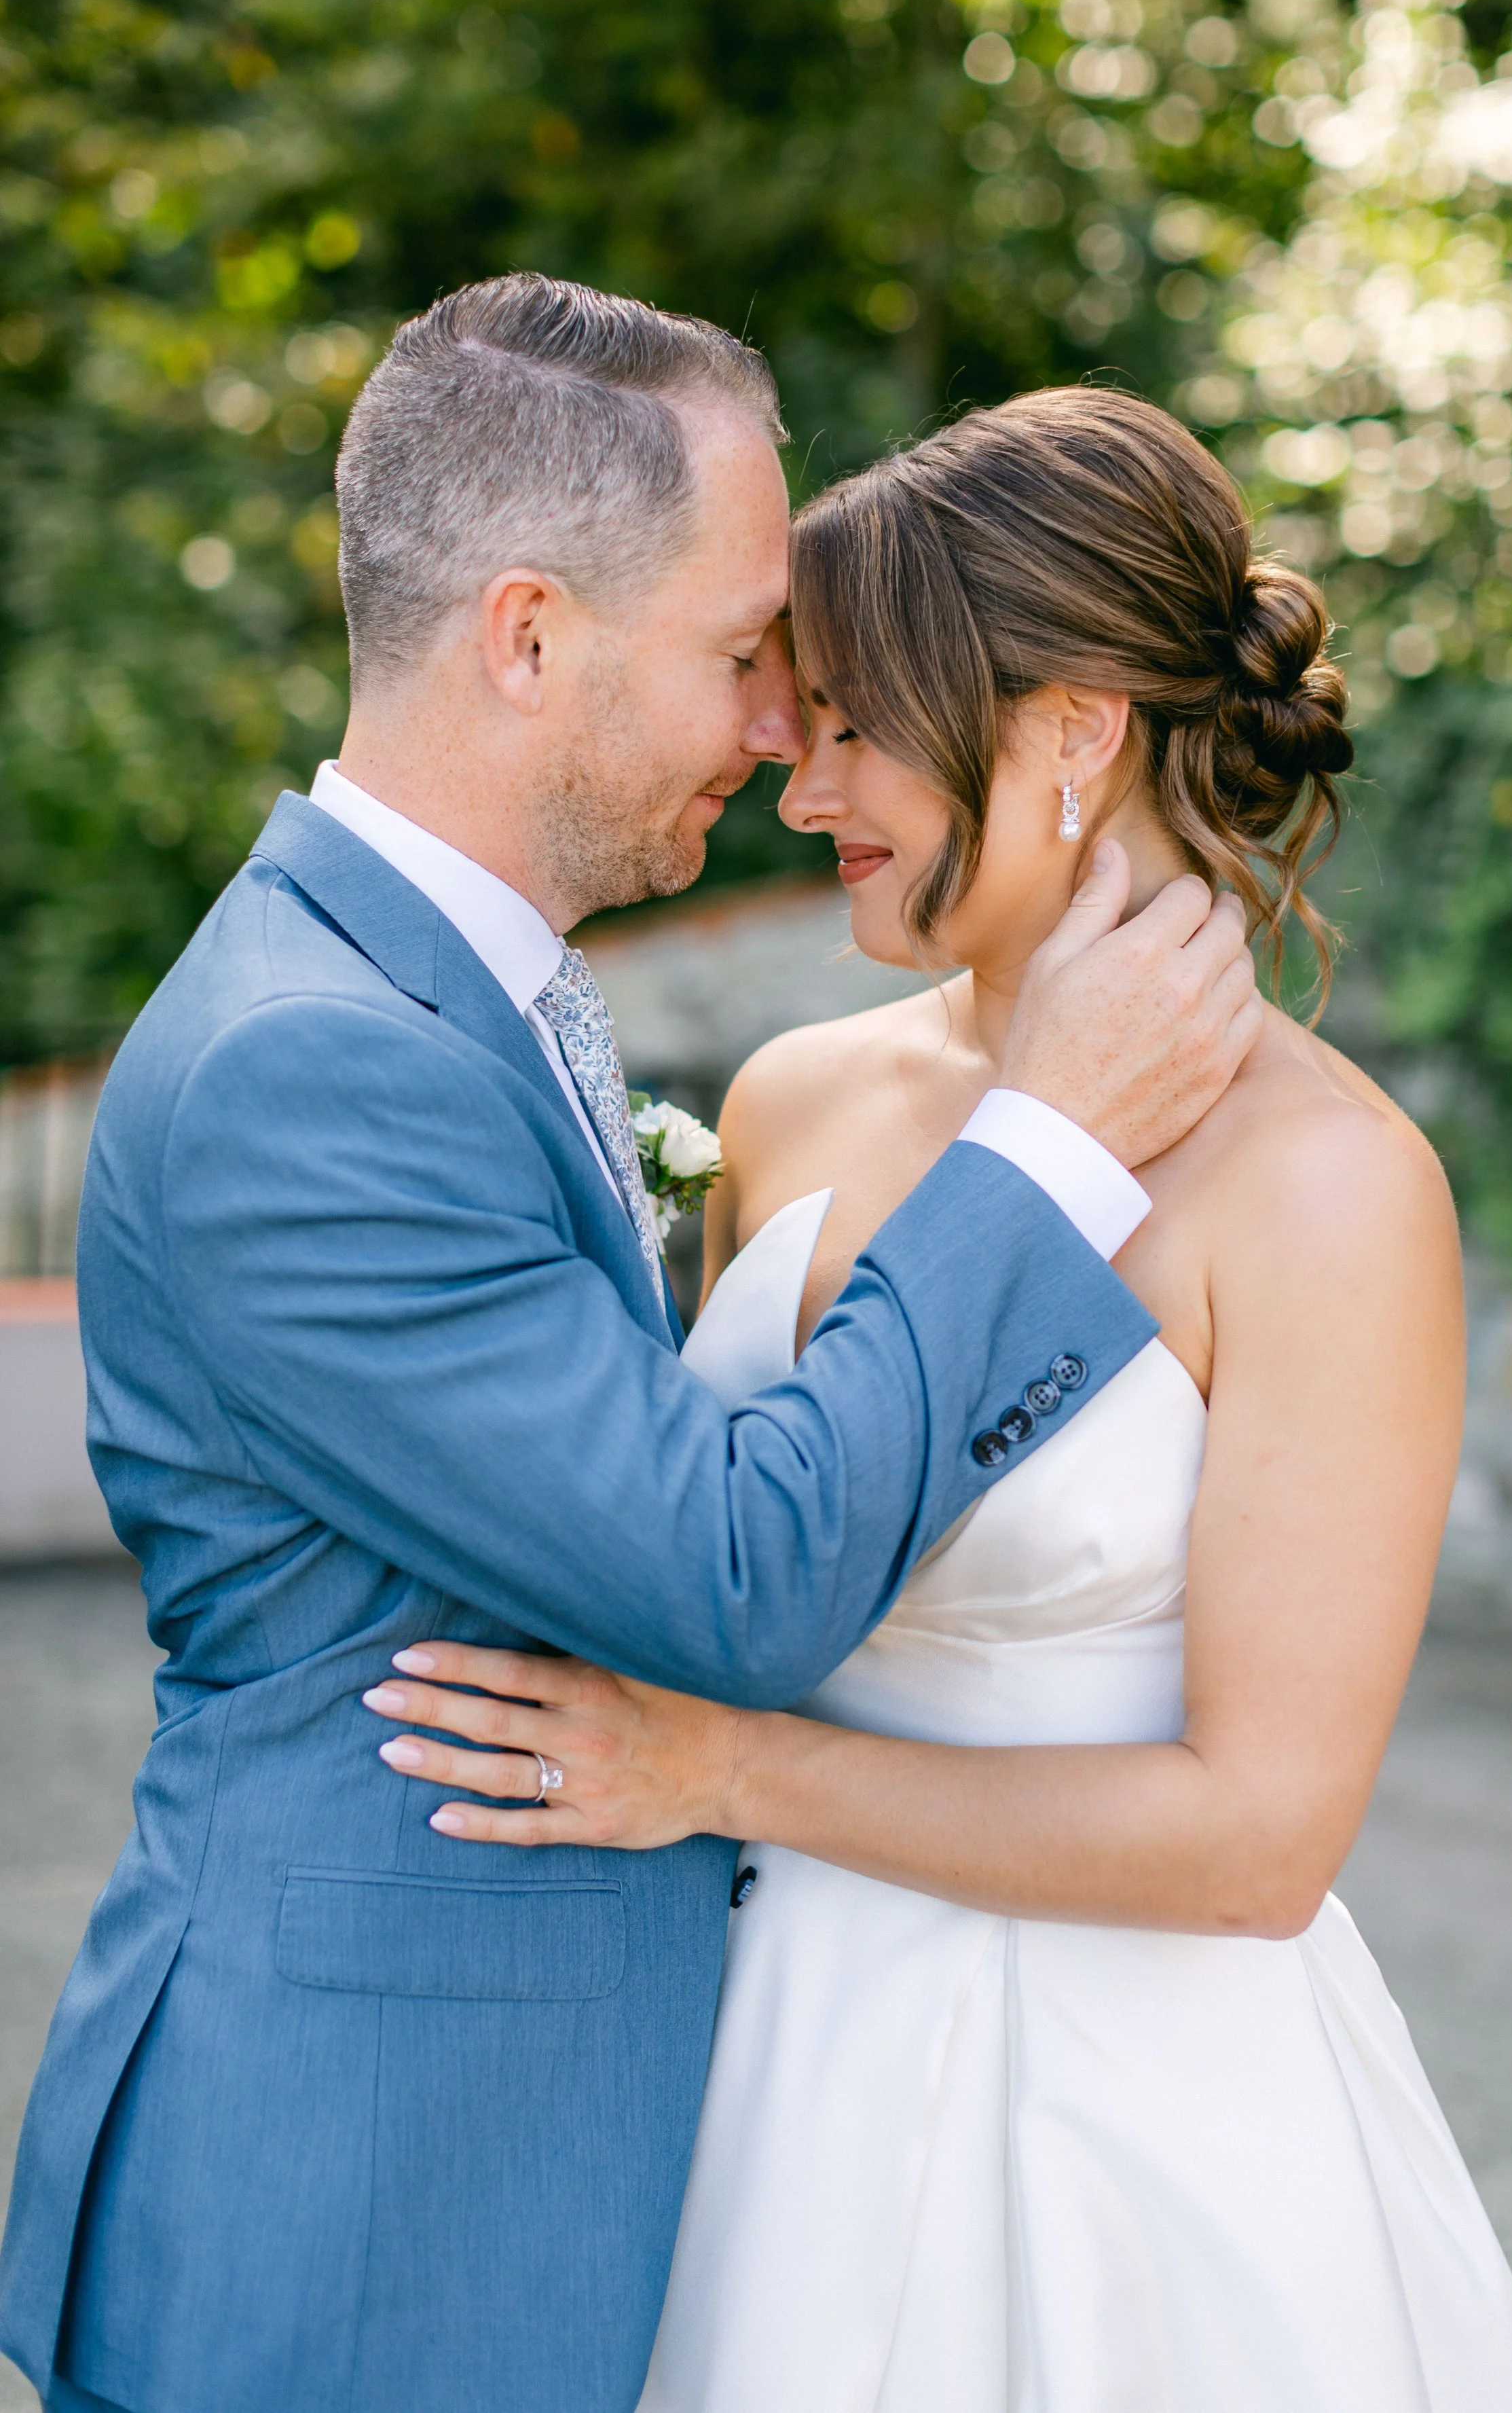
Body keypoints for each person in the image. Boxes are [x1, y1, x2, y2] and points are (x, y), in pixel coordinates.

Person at [0, 295, 1261, 2413]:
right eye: (741, 644)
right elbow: (724, 1576)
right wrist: (1050, 1146)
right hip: (362, 2214)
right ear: (526, 636)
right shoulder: (318, 1069)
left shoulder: (447, 999)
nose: (785, 723)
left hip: (562, 2160)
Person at [367, 388, 1512, 2410]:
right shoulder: (794, 1096)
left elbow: (1257, 1839)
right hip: (741, 2055)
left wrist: (726, 1773)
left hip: (1116, 2121)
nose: (793, 778)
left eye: (852, 722)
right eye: (795, 709)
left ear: (1071, 728)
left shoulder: (1331, 1190)